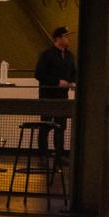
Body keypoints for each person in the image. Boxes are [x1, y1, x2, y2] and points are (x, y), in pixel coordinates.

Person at [34, 26, 76, 161]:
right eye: (66, 36)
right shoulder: (47, 54)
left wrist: (73, 82)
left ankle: (59, 154)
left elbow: (74, 72)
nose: (69, 38)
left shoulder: (69, 55)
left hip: (62, 96)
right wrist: (57, 82)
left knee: (61, 127)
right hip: (48, 95)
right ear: (58, 38)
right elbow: (39, 74)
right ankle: (43, 154)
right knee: (45, 125)